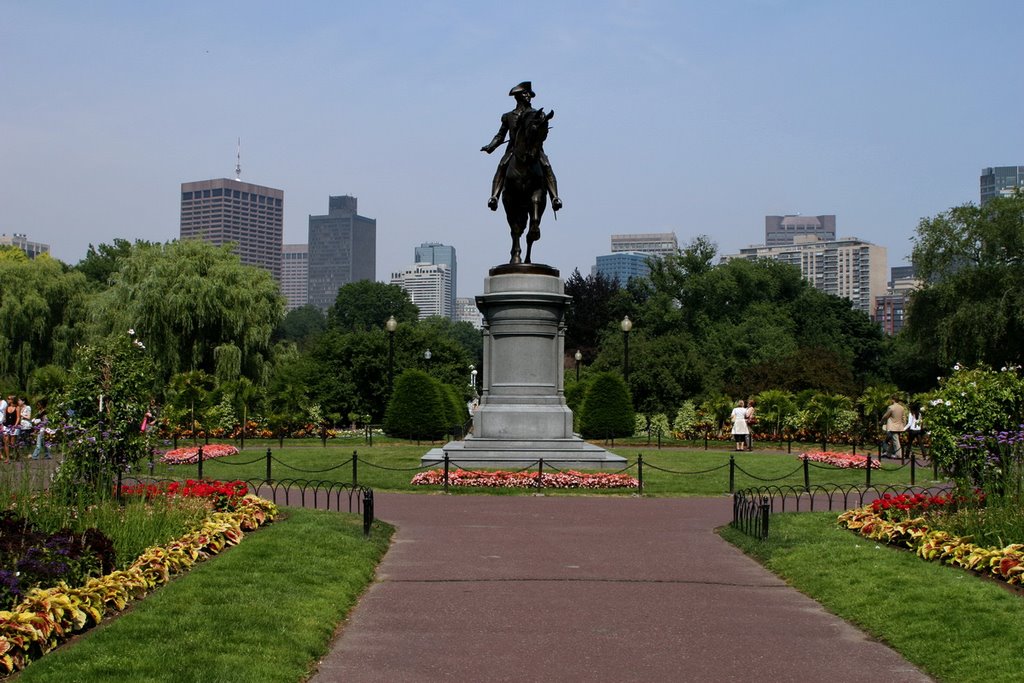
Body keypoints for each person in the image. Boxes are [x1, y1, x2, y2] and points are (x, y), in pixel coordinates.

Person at [481, 81, 562, 212]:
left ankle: (555, 198)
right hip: (514, 150)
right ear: (517, 96)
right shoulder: (508, 116)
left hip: (534, 150)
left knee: (546, 166)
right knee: (502, 166)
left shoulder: (536, 114)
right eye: (525, 93)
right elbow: (500, 135)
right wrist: (490, 146)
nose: (528, 96)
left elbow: (542, 133)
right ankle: (494, 197)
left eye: (529, 94)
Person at [880, 394, 907, 460]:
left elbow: (886, 416)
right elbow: (904, 417)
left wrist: (881, 421)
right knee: (893, 440)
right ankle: (888, 453)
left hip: (892, 426)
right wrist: (903, 425)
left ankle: (899, 455)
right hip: (899, 426)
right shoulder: (902, 408)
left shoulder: (891, 407)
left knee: (895, 440)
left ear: (893, 400)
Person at [2, 395, 18, 462]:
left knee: (12, 443)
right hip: (6, 426)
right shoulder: (6, 408)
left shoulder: (17, 408)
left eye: (9, 399)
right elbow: (5, 417)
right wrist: (2, 424)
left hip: (13, 426)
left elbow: (18, 417)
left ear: (12, 400)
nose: (7, 400)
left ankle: (17, 454)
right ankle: (7, 458)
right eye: (7, 398)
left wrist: (15, 425)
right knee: (6, 441)